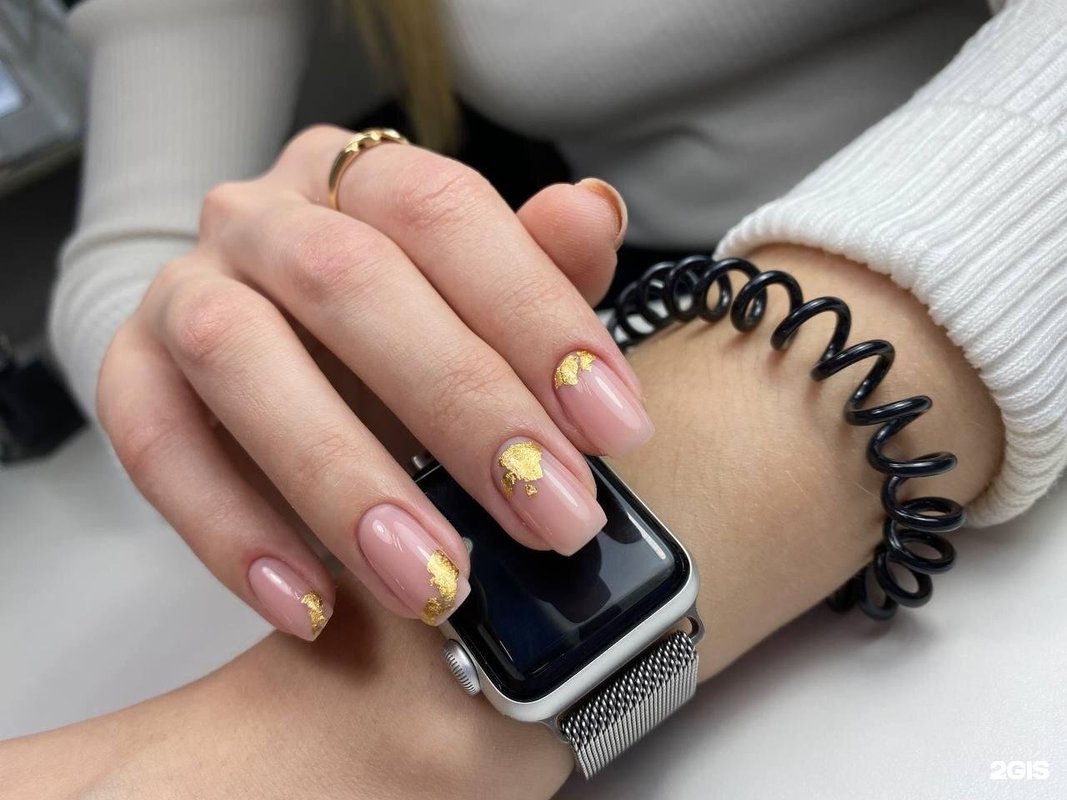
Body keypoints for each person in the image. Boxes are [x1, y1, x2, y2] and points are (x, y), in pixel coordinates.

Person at [9, 0, 1065, 792]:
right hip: (621, 338)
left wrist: (390, 728)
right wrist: (240, 348)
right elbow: (125, 254)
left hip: (977, 332)